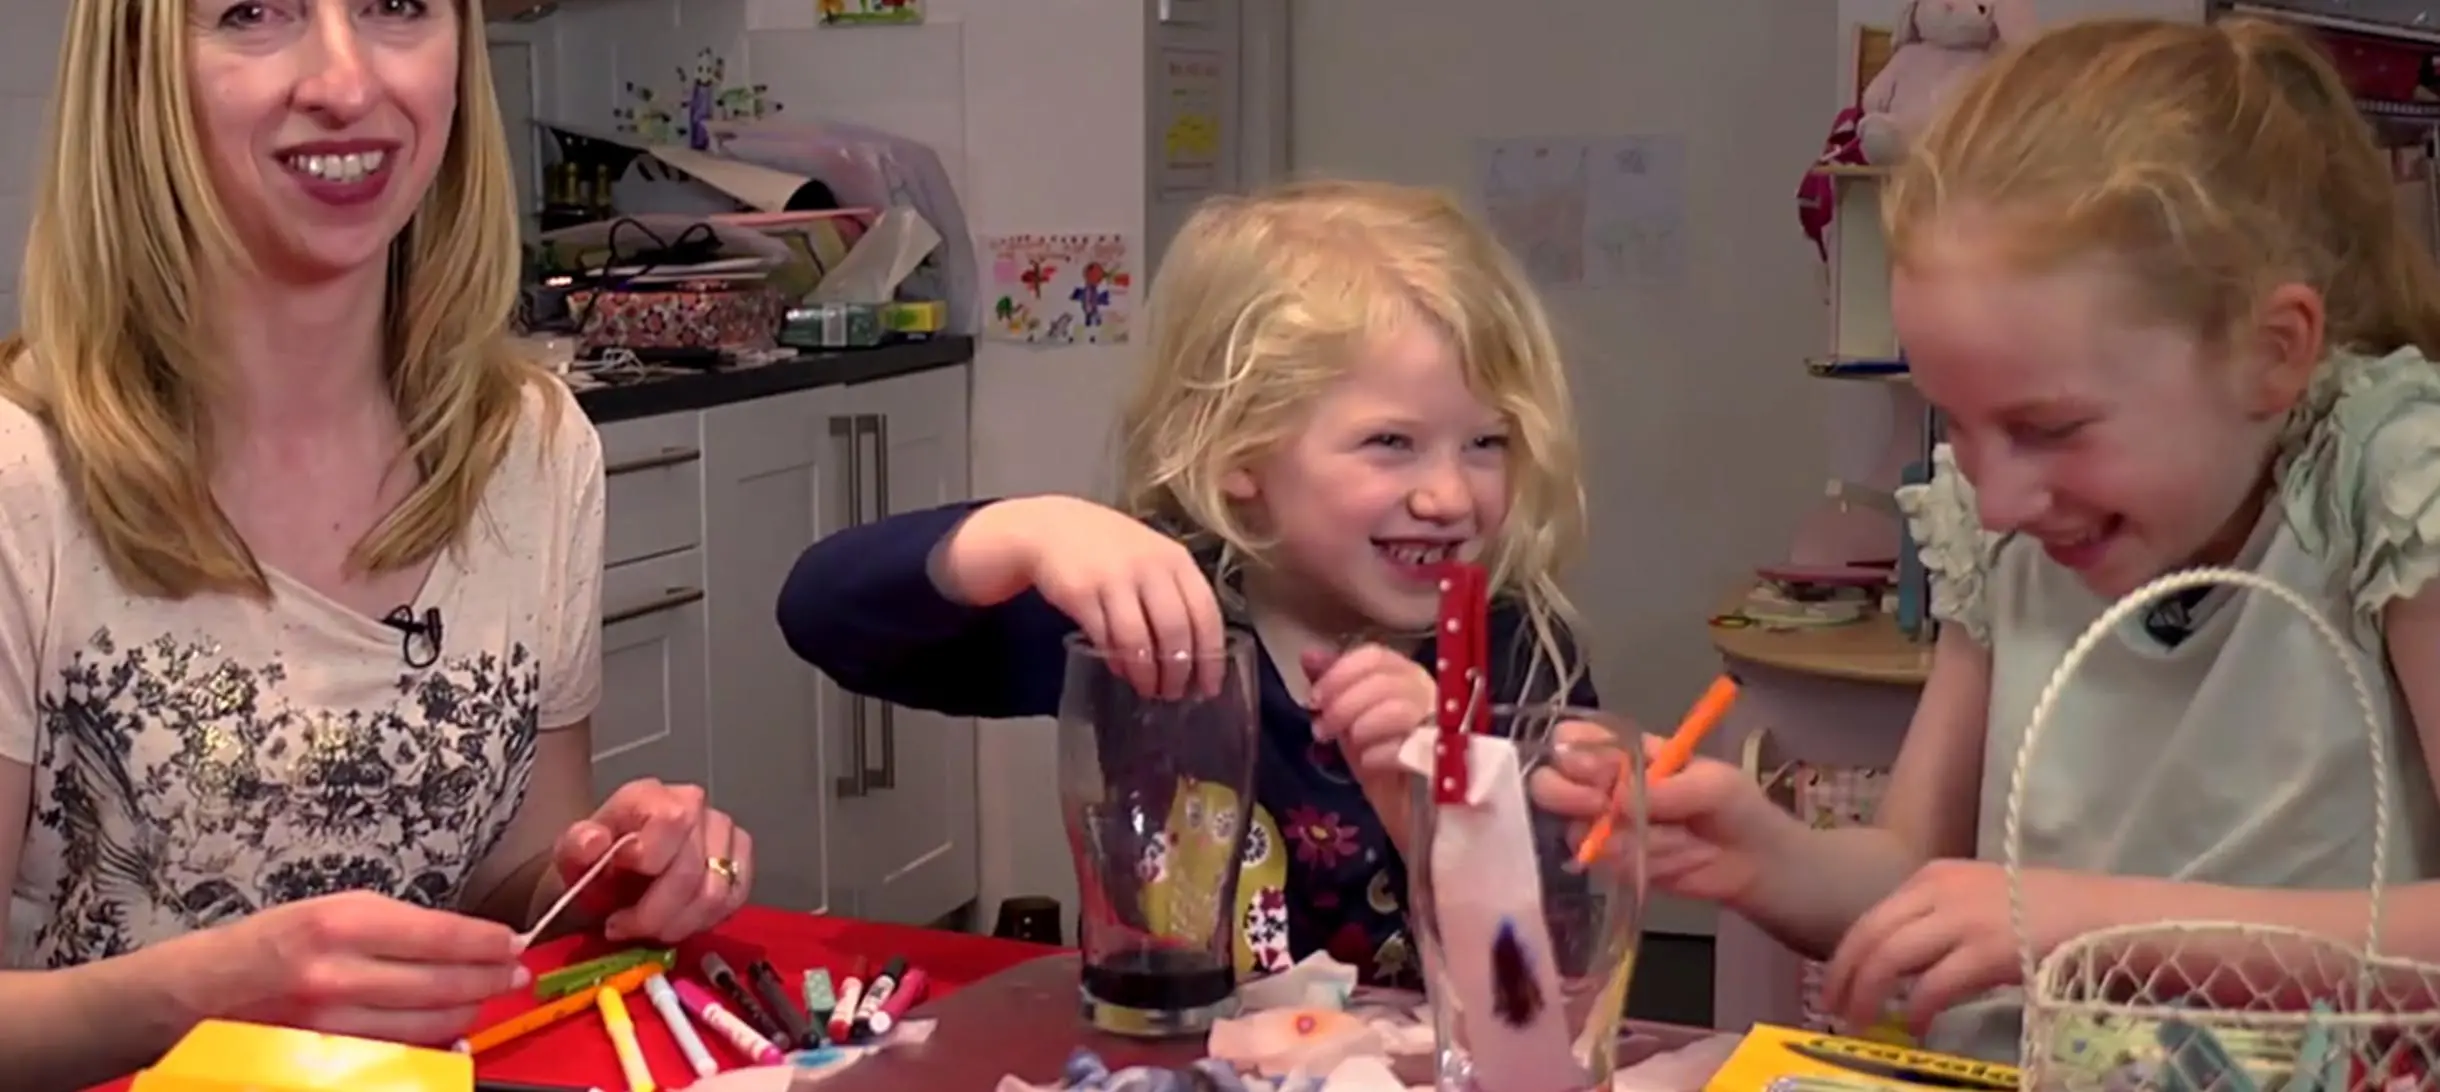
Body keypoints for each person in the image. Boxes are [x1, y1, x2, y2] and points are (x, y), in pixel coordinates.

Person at [1645, 16, 2440, 1060]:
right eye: (1958, 425)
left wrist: (2083, 924)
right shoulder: (2007, 526)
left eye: (2048, 428)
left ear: (2271, 353)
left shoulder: (2387, 480)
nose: (2001, 495)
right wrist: (1765, 860)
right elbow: (1919, 875)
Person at [0, 1, 754, 1086]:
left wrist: (603, 879)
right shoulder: (24, 474)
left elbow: (504, 880)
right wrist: (197, 996)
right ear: (135, 75)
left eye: (396, 5)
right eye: (253, 13)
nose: (347, 83)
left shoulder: (534, 451)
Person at [778, 180, 1614, 986]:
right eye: (1392, 442)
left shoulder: (1519, 651)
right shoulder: (1152, 620)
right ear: (1240, 453)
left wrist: (1446, 797)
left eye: (1487, 444)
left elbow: (1555, 973)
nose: (1451, 497)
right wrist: (1027, 531)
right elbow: (821, 614)